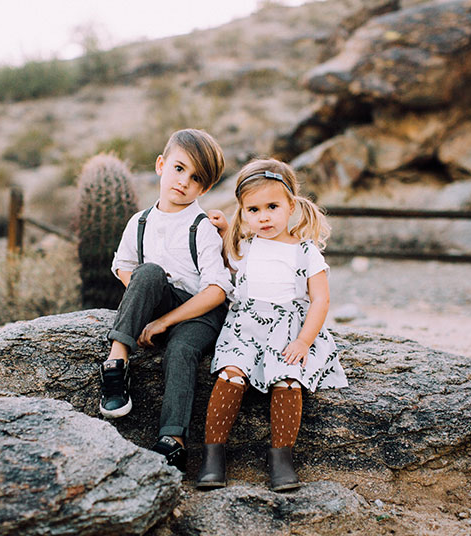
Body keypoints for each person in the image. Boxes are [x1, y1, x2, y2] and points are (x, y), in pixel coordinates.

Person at [198, 158, 348, 491]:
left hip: (289, 330)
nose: (263, 216)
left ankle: (281, 457)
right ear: (242, 211)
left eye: (272, 206)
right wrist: (224, 230)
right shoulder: (247, 247)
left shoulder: (306, 251)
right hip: (246, 327)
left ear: (291, 205)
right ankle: (213, 457)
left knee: (289, 381)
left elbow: (320, 300)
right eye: (253, 210)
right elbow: (229, 262)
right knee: (230, 374)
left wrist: (304, 341)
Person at [99, 128, 233, 472]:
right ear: (161, 164)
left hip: (199, 314)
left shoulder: (201, 226)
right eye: (179, 168)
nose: (184, 182)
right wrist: (146, 300)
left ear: (204, 189)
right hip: (163, 302)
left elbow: (217, 290)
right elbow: (123, 267)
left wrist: (164, 322)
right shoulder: (140, 221)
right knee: (148, 272)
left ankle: (173, 441)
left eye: (196, 178)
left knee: (180, 351)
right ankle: (117, 364)